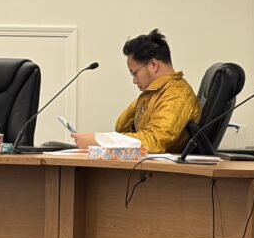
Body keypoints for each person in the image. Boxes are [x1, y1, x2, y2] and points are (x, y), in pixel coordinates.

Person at [71, 29, 201, 153]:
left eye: (135, 73)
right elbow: (121, 128)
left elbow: (154, 141)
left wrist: (99, 141)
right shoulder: (154, 92)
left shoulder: (176, 95)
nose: (134, 81)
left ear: (153, 65)